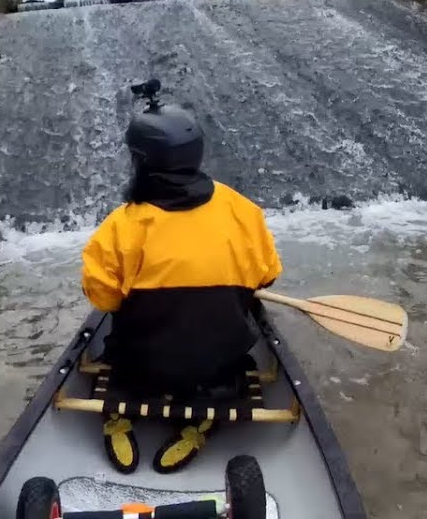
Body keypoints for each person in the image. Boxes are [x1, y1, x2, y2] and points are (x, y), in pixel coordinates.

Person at [80, 91, 282, 475]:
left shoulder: (121, 227)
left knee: (122, 346)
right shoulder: (242, 210)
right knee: (229, 346)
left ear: (141, 162)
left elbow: (103, 300)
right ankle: (200, 420)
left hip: (142, 368)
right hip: (217, 368)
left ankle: (119, 417)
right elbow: (266, 277)